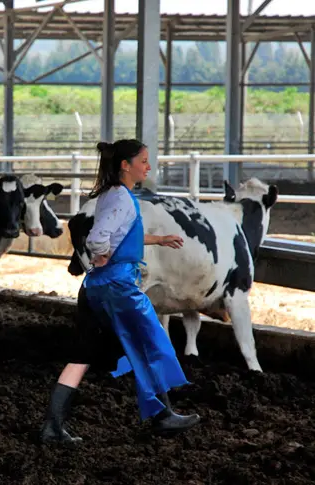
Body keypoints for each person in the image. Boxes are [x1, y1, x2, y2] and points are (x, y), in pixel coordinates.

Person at [39, 139, 201, 445]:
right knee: (150, 344)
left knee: (81, 357)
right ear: (125, 165)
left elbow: (118, 235)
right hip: (118, 287)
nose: (148, 166)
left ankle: (52, 426)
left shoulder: (110, 195)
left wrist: (158, 239)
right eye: (143, 160)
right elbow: (100, 239)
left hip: (95, 287)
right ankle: (164, 416)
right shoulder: (123, 199)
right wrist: (103, 254)